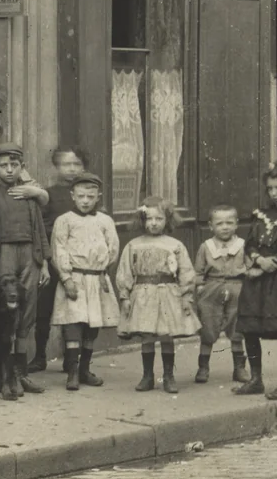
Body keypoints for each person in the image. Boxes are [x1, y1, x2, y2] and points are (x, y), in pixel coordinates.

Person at [115, 197, 200, 394]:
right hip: (143, 294)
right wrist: (125, 297)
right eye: (149, 219)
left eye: (159, 219)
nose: (153, 223)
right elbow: (125, 271)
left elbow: (186, 272)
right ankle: (147, 376)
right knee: (147, 335)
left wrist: (187, 296)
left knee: (166, 334)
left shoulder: (175, 245)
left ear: (167, 220)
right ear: (142, 220)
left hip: (168, 293)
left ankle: (169, 376)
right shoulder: (133, 245)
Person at [0, 143, 50, 396]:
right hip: (4, 252)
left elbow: (40, 229)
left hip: (29, 254)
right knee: (6, 312)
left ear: (22, 167)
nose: (9, 170)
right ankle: (5, 376)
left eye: (14, 165)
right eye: (4, 165)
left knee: (27, 313)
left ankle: (21, 373)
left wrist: (44, 261)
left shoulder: (29, 193)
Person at [49, 173, 119, 391]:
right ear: (73, 196)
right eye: (81, 196)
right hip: (75, 279)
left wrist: (103, 270)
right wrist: (66, 277)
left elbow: (113, 247)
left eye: (90, 196)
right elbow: (58, 250)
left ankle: (85, 370)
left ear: (98, 196)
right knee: (73, 325)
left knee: (91, 326)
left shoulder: (105, 221)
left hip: (96, 278)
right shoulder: (65, 221)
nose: (86, 201)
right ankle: (71, 372)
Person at [30, 145, 90, 373]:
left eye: (77, 164)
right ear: (56, 167)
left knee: (75, 309)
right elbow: (41, 226)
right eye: (66, 164)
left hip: (80, 262)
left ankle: (71, 358)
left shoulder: (86, 194)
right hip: (54, 259)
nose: (72, 169)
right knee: (43, 308)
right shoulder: (49, 194)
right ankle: (39, 355)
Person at [192, 205, 251, 385]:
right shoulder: (206, 247)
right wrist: (201, 288)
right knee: (208, 327)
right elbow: (199, 272)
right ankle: (203, 367)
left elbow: (249, 268)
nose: (224, 227)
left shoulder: (243, 245)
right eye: (219, 223)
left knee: (237, 328)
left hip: (237, 287)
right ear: (211, 226)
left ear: (236, 224)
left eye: (229, 223)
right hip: (212, 289)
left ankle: (239, 368)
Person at [234, 165, 277, 398]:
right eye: (270, 188)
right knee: (250, 328)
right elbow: (249, 244)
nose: (274, 193)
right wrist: (259, 259)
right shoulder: (261, 215)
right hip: (258, 281)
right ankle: (256, 378)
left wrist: (274, 263)